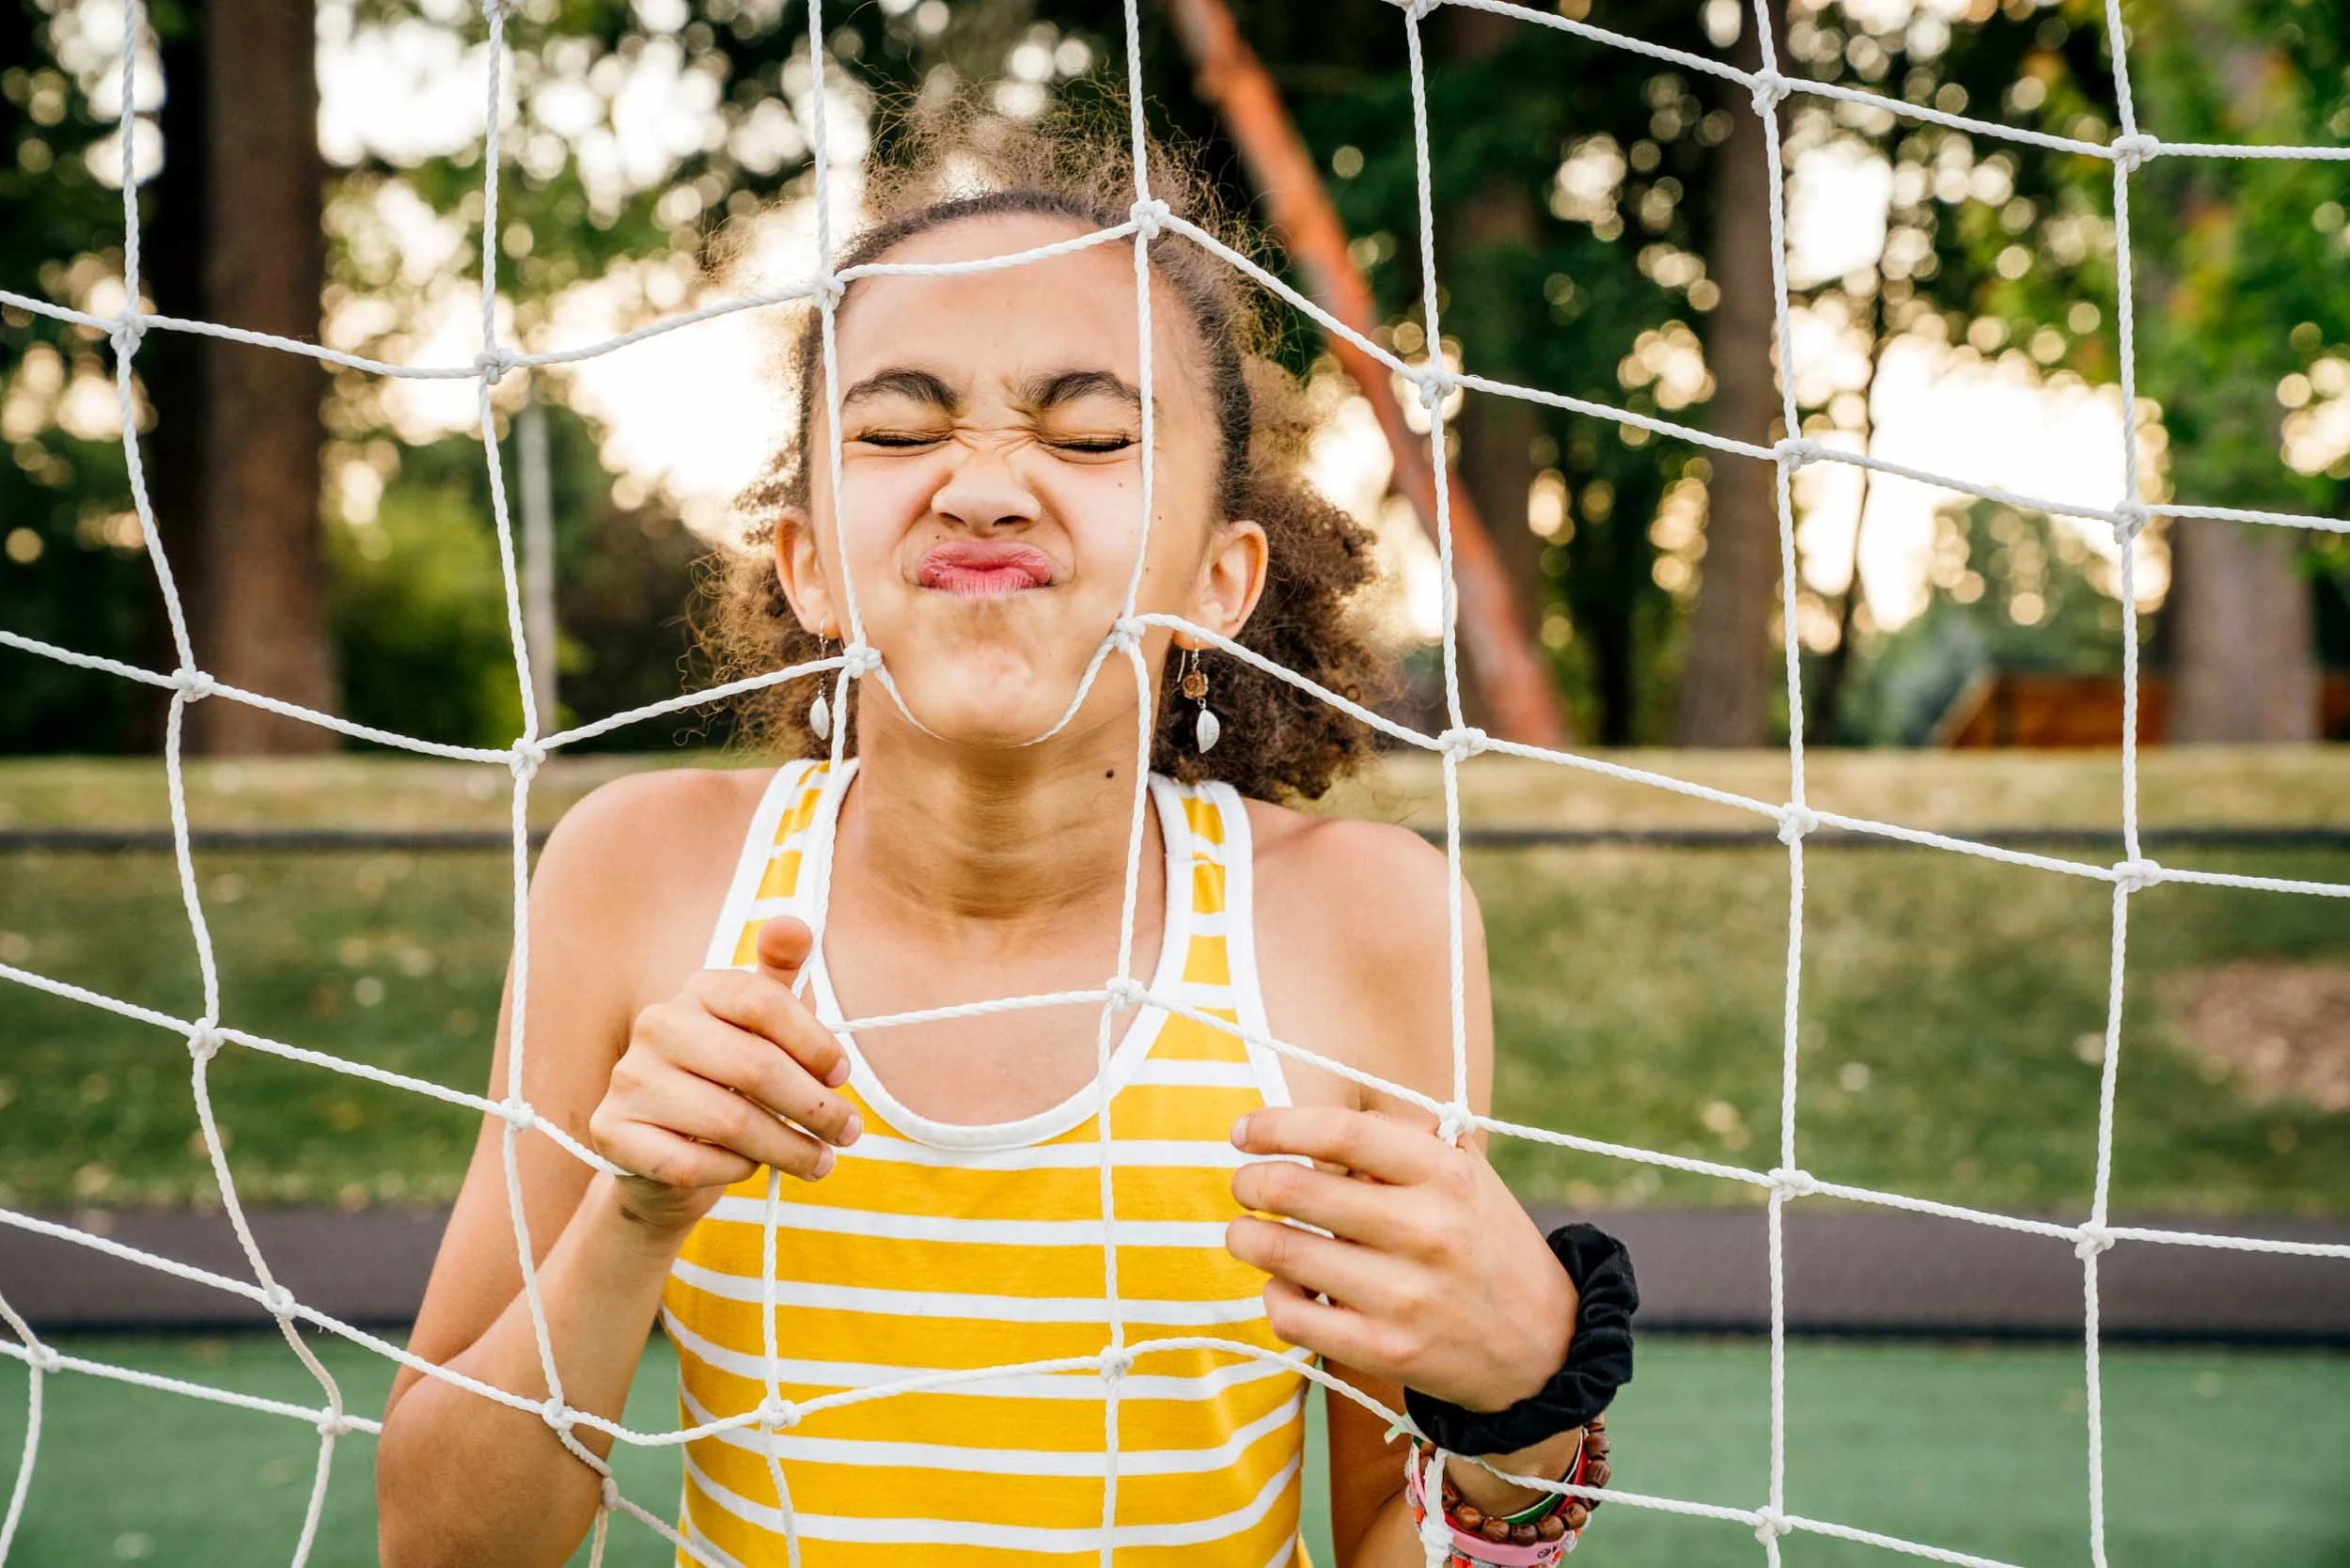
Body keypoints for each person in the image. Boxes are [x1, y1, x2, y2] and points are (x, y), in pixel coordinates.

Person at [376, 102, 1625, 1568]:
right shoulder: (638, 874)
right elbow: (440, 1547)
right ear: (809, 570)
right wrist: (632, 1216)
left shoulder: (1370, 922)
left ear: (1223, 582)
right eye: (899, 429)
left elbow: (1379, 1527)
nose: (979, 483)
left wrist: (1529, 1421)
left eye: (1089, 433)